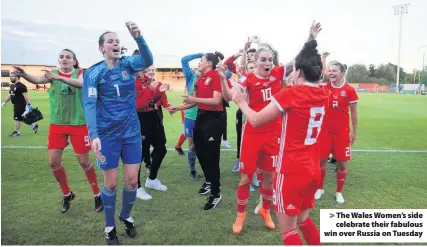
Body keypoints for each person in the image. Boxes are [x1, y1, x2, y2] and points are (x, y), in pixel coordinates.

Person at [232, 38, 327, 245]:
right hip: (312, 169)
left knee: (288, 232)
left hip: (292, 169)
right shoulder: (324, 93)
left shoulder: (290, 94)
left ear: (299, 72)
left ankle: (262, 210)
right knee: (303, 220)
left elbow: (255, 120)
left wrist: (240, 102)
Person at [82, 21, 153, 245]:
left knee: (132, 181)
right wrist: (94, 134)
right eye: (110, 41)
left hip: (131, 133)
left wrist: (139, 37)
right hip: (106, 136)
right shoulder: (93, 73)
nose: (115, 44)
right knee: (111, 184)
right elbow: (90, 104)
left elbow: (148, 60)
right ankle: (110, 225)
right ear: (102, 48)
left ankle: (126, 216)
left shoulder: (129, 65)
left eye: (117, 41)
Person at [13, 49, 103, 214]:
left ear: (74, 61)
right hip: (57, 124)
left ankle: (97, 194)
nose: (64, 59)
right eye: (61, 57)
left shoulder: (80, 73)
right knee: (53, 162)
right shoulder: (52, 74)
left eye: (68, 57)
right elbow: (36, 79)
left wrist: (60, 78)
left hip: (79, 123)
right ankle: (67, 194)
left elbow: (82, 84)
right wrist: (24, 73)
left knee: (84, 162)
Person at [168, 52, 228, 210]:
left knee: (212, 156)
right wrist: (177, 107)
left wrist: (194, 99)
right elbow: (192, 101)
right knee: (198, 150)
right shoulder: (200, 78)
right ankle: (209, 181)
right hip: (201, 116)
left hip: (214, 118)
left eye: (201, 60)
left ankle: (216, 193)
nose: (199, 63)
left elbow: (216, 101)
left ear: (209, 63)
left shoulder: (216, 76)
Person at [315, 60, 358, 204]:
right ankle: (319, 188)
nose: (331, 73)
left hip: (341, 133)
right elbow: (316, 78)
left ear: (341, 73)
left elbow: (354, 113)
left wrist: (354, 133)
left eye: (334, 71)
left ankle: (339, 192)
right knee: (320, 161)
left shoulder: (350, 90)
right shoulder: (324, 87)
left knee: (342, 164)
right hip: (324, 132)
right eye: (329, 70)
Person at [135, 65, 169, 194]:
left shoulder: (149, 81)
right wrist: (151, 90)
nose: (148, 70)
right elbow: (138, 105)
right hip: (140, 118)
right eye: (145, 66)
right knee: (139, 153)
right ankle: (136, 187)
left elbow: (152, 101)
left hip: (153, 116)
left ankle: (152, 179)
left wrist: (159, 91)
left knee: (161, 148)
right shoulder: (133, 81)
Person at [180, 53, 204, 181]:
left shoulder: (209, 78)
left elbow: (227, 74)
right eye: (199, 63)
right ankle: (193, 170)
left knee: (205, 146)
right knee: (192, 146)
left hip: (205, 117)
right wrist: (200, 54)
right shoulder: (191, 78)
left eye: (203, 62)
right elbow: (183, 60)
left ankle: (207, 169)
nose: (200, 65)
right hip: (191, 117)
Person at [2, 71, 39, 136]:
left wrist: (29, 105)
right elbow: (10, 95)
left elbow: (26, 97)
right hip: (16, 105)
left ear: (17, 77)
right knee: (21, 118)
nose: (10, 78)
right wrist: (5, 102)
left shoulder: (21, 86)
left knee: (16, 118)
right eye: (10, 77)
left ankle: (17, 132)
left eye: (12, 76)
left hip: (21, 105)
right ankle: (34, 125)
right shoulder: (12, 86)